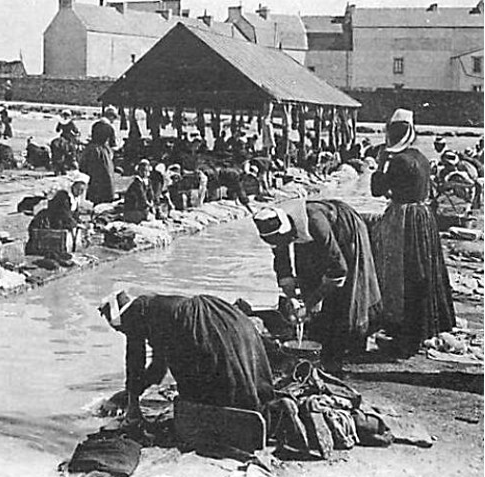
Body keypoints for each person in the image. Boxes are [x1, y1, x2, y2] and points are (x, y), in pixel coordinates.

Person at [99, 291, 274, 426]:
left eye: (118, 329)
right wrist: (133, 393)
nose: (122, 332)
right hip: (220, 315)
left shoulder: (134, 316)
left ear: (119, 319)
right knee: (234, 369)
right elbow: (158, 369)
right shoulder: (150, 309)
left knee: (210, 380)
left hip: (197, 324)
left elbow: (135, 362)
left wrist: (132, 404)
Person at [253, 199, 381, 371]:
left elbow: (338, 270)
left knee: (348, 287)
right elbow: (282, 260)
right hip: (311, 234)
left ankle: (347, 342)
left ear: (288, 231)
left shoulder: (315, 222)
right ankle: (319, 329)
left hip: (344, 230)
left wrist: (312, 301)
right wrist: (291, 295)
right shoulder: (274, 226)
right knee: (307, 274)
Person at [370, 109, 455, 356]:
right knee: (422, 272)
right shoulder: (422, 157)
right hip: (423, 217)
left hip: (403, 219)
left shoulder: (395, 160)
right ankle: (420, 330)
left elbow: (378, 190)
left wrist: (379, 165)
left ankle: (402, 333)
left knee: (400, 275)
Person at [80, 106, 118, 205]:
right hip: (102, 152)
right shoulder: (110, 128)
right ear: (111, 116)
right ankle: (105, 198)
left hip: (91, 151)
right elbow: (113, 145)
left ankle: (93, 197)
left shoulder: (95, 125)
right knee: (106, 175)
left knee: (93, 175)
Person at [123, 159, 154, 223]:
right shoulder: (137, 182)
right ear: (139, 170)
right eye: (142, 170)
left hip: (143, 207)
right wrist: (148, 204)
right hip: (133, 208)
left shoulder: (148, 181)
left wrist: (151, 201)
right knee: (143, 216)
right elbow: (141, 196)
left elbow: (151, 194)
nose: (144, 173)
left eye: (146, 171)